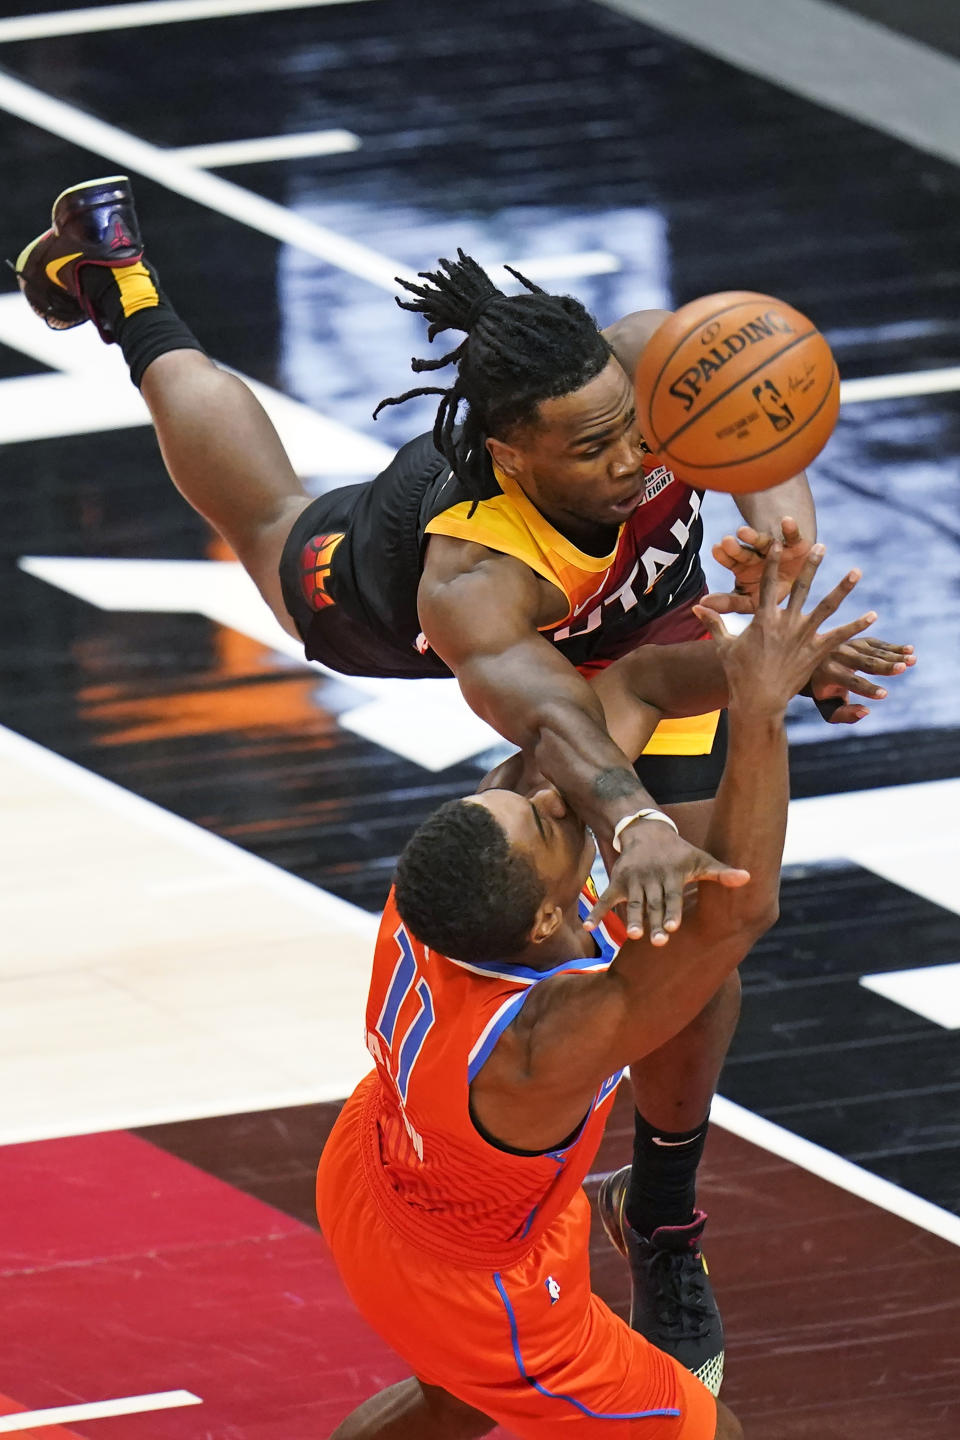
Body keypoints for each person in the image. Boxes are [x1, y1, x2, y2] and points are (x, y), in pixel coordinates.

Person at [14, 178, 912, 1386]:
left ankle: (661, 1217)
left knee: (701, 947)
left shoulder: (644, 374)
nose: (633, 459)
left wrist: (781, 553)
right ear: (510, 451)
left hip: (633, 637)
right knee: (268, 514)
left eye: (632, 431)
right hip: (387, 594)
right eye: (592, 450)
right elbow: (557, 719)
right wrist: (636, 812)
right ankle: (124, 291)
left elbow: (761, 422)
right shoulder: (470, 584)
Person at [316, 545, 877, 1439]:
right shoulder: (538, 1046)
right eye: (543, 821)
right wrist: (762, 713)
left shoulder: (460, 891)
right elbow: (739, 917)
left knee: (456, 1401)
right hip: (470, 1280)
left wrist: (755, 655)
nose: (553, 798)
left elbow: (646, 683)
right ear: (543, 923)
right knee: (710, 1434)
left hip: (377, 1175)